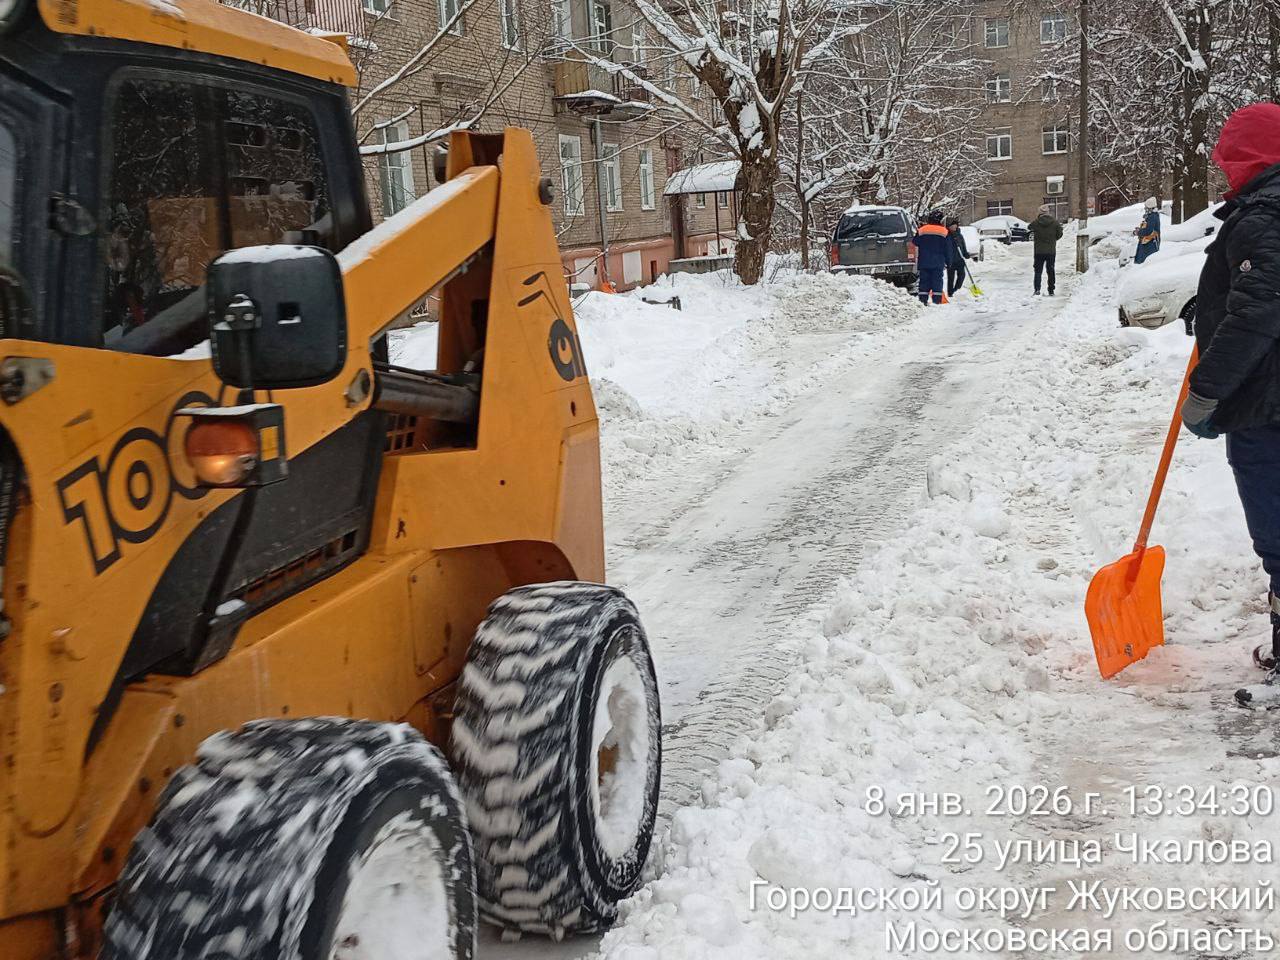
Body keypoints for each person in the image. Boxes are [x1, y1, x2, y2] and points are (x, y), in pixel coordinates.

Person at [1178, 102, 1280, 706]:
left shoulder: (1265, 214)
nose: (1222, 171)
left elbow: (1262, 307)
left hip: (1268, 405)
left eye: (1228, 158)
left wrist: (1207, 388)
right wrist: (1207, 308)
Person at [911, 210, 950, 305]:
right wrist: (949, 261)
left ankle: (923, 300)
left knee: (924, 281)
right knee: (937, 281)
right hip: (938, 262)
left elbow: (915, 242)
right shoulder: (944, 231)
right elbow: (948, 248)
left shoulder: (922, 230)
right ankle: (937, 301)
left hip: (924, 261)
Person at [1028, 204, 1063, 296]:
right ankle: (1051, 290)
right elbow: (1060, 234)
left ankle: (1037, 289)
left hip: (1039, 251)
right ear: (1048, 212)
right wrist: (1053, 239)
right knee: (1051, 270)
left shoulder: (1036, 222)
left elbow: (1029, 227)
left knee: (1038, 271)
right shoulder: (1055, 222)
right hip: (1051, 251)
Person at [946, 218, 970, 297]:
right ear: (949, 226)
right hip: (950, 259)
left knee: (962, 275)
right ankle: (950, 292)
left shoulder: (959, 235)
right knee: (951, 277)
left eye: (955, 225)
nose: (955, 227)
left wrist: (966, 253)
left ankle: (956, 289)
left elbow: (963, 245)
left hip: (959, 258)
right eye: (953, 225)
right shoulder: (946, 235)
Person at [1134, 197, 1162, 264]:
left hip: (1150, 244)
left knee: (1146, 263)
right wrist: (1140, 229)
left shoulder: (1152, 217)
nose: (1145, 209)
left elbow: (1148, 231)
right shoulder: (1151, 216)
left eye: (1146, 207)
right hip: (1148, 243)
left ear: (1150, 208)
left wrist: (1138, 232)